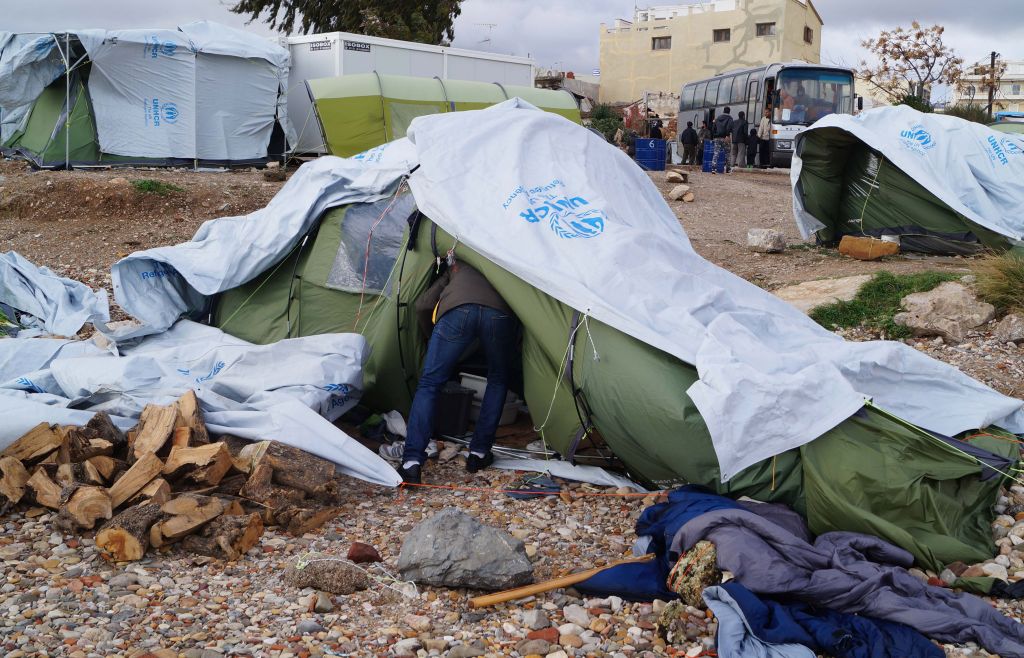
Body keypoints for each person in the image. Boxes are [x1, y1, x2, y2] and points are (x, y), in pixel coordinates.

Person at [397, 260, 519, 484]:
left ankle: (411, 462)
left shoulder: (459, 262)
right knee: (498, 379)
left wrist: (431, 338)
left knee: (429, 384)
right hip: (499, 315)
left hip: (456, 311)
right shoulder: (507, 258)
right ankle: (479, 453)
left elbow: (424, 304)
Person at [711, 107, 734, 174]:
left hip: (717, 138)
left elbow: (713, 127)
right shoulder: (730, 118)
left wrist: (715, 135)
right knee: (727, 153)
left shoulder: (717, 118)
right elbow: (729, 127)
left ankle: (713, 168)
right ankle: (728, 169)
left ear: (723, 111)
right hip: (725, 138)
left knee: (716, 153)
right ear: (729, 112)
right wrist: (727, 135)